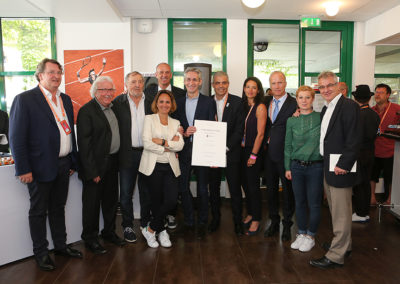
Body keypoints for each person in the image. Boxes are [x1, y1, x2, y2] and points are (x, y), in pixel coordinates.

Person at [9, 58, 82, 271]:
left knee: (58, 208)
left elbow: (69, 132)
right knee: (39, 212)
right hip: (39, 167)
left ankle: (61, 246)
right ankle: (40, 253)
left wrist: (72, 160)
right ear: (40, 75)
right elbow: (17, 138)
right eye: (51, 72)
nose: (56, 76)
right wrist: (23, 168)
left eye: (59, 72)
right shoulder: (25, 99)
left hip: (63, 164)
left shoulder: (65, 99)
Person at [310, 71, 360, 269]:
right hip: (328, 165)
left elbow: (354, 138)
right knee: (336, 210)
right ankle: (343, 245)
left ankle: (336, 255)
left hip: (340, 167)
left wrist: (344, 165)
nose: (325, 90)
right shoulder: (326, 107)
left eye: (329, 85)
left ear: (338, 86)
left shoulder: (348, 106)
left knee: (341, 213)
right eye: (321, 87)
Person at [77, 76, 125, 255]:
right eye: (103, 90)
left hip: (112, 163)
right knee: (92, 205)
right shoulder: (86, 111)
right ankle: (90, 238)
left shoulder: (114, 108)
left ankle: (109, 232)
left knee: (111, 202)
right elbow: (84, 144)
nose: (107, 93)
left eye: (110, 90)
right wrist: (92, 171)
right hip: (95, 167)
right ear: (95, 92)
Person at [173, 67, 216, 239]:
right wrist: (182, 132)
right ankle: (189, 219)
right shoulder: (177, 102)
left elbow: (213, 128)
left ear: (200, 82)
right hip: (183, 150)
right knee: (182, 186)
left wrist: (213, 152)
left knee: (202, 188)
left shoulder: (208, 102)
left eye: (194, 80)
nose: (191, 82)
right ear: (184, 82)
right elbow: (175, 125)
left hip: (203, 150)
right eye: (188, 79)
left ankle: (203, 220)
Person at [139, 90, 184, 248]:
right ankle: (162, 230)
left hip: (170, 167)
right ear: (156, 104)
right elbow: (147, 142)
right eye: (161, 101)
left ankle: (150, 229)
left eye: (167, 102)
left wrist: (163, 142)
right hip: (153, 166)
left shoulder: (176, 123)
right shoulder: (149, 119)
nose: (164, 104)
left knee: (171, 200)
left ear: (171, 105)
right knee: (156, 201)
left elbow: (180, 145)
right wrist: (167, 146)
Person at [144, 62, 186, 229]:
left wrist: (164, 142)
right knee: (155, 194)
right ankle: (157, 225)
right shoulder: (147, 93)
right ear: (156, 74)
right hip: (154, 157)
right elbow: (148, 136)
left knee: (171, 195)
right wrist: (168, 144)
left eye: (167, 72)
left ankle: (168, 217)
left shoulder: (180, 93)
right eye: (161, 72)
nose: (164, 75)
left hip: (173, 151)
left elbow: (180, 125)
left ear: (171, 74)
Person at [112, 71, 152, 243]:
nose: (137, 85)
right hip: (126, 154)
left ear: (143, 84)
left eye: (140, 81)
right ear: (126, 84)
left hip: (147, 153)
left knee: (147, 192)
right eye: (133, 81)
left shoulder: (151, 102)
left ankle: (145, 224)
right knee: (126, 193)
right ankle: (127, 225)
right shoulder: (117, 103)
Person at [284, 86, 323, 252]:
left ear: (313, 99)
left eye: (307, 97)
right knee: (299, 202)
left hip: (316, 167)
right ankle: (301, 233)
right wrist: (287, 167)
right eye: (301, 97)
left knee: (314, 203)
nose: (304, 100)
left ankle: (311, 236)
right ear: (297, 100)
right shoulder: (291, 120)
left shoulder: (321, 117)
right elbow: (287, 145)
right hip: (296, 166)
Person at [208, 71, 244, 235]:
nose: (221, 86)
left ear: (228, 84)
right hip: (212, 153)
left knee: (235, 189)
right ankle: (215, 219)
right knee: (213, 188)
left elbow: (239, 130)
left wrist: (225, 147)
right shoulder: (207, 102)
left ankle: (238, 221)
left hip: (232, 152)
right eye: (218, 83)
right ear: (213, 85)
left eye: (224, 82)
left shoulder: (237, 102)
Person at [263, 71, 297, 241]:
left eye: (280, 82)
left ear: (285, 83)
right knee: (270, 190)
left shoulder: (295, 104)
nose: (277, 86)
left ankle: (287, 224)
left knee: (288, 192)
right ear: (270, 85)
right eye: (273, 83)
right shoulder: (266, 101)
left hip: (286, 155)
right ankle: (274, 221)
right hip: (268, 154)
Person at [241, 77, 267, 236]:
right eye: (248, 87)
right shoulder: (244, 106)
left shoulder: (260, 107)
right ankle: (250, 213)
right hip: (242, 150)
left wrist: (254, 155)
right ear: (244, 88)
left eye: (254, 87)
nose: (250, 90)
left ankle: (256, 218)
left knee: (253, 186)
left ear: (258, 90)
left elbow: (261, 134)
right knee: (245, 184)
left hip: (253, 151)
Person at [351, 85, 380, 222]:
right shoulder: (374, 114)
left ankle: (360, 213)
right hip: (370, 151)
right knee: (366, 183)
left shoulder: (357, 115)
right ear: (369, 98)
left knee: (358, 184)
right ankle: (365, 212)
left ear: (355, 98)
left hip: (358, 152)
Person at [370, 83, 400, 205]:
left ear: (388, 95)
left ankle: (390, 199)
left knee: (390, 177)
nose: (378, 95)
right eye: (376, 92)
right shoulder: (371, 111)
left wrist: (389, 128)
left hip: (391, 150)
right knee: (372, 176)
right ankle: (372, 197)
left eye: (381, 92)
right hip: (374, 149)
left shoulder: (397, 109)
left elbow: (399, 127)